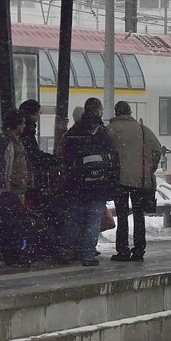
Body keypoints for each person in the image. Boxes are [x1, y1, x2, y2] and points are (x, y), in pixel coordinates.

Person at [58, 97, 120, 266]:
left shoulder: (73, 131)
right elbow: (112, 157)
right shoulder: (101, 131)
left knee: (73, 219)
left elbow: (65, 156)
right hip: (97, 184)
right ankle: (88, 255)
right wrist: (111, 182)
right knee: (93, 220)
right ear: (98, 110)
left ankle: (65, 252)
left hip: (76, 184)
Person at [106, 101, 163, 262]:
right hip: (140, 179)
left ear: (116, 112)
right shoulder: (142, 129)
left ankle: (122, 250)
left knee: (122, 215)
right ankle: (139, 249)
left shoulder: (110, 130)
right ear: (130, 112)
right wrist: (149, 168)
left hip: (119, 180)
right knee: (139, 215)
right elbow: (156, 149)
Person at [0, 110, 32, 198]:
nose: (24, 126)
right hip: (10, 186)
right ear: (17, 125)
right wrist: (2, 185)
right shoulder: (4, 141)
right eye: (23, 123)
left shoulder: (17, 140)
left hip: (17, 185)